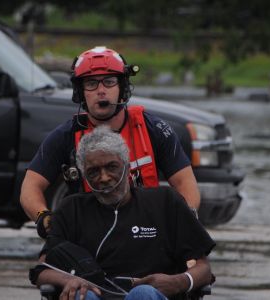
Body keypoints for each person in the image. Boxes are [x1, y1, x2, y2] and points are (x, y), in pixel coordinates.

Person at [20, 46, 200, 238]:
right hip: (93, 235)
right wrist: (43, 217)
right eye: (91, 83)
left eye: (109, 82)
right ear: (80, 92)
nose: (101, 91)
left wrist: (183, 222)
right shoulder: (64, 136)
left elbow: (185, 182)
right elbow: (30, 187)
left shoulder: (153, 129)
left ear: (122, 88)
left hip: (147, 233)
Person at [29, 126, 215, 300]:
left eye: (111, 167)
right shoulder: (72, 209)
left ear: (127, 166)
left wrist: (178, 282)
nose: (104, 178)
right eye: (93, 171)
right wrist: (68, 281)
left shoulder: (165, 202)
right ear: (84, 176)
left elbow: (204, 268)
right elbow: (41, 270)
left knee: (142, 293)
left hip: (151, 295)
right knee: (83, 294)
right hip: (95, 293)